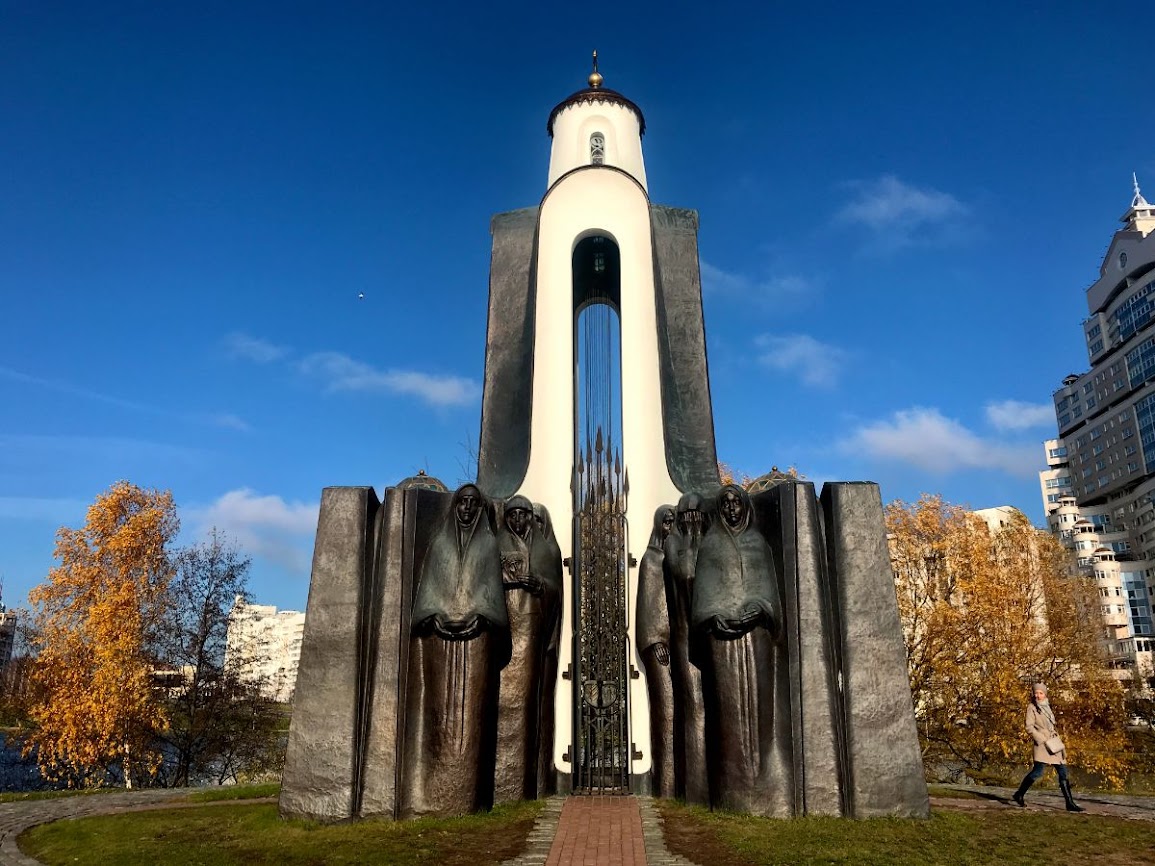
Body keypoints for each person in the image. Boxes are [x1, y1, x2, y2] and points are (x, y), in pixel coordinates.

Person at [1011, 682, 1084, 812]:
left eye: (1041, 693)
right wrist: (1041, 739)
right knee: (1038, 772)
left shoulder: (1047, 706)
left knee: (1062, 770)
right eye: (1036, 693)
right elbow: (1029, 727)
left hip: (1054, 743)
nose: (1038, 695)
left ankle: (1070, 803)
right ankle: (1019, 794)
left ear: (1045, 694)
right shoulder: (1032, 707)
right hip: (1042, 744)